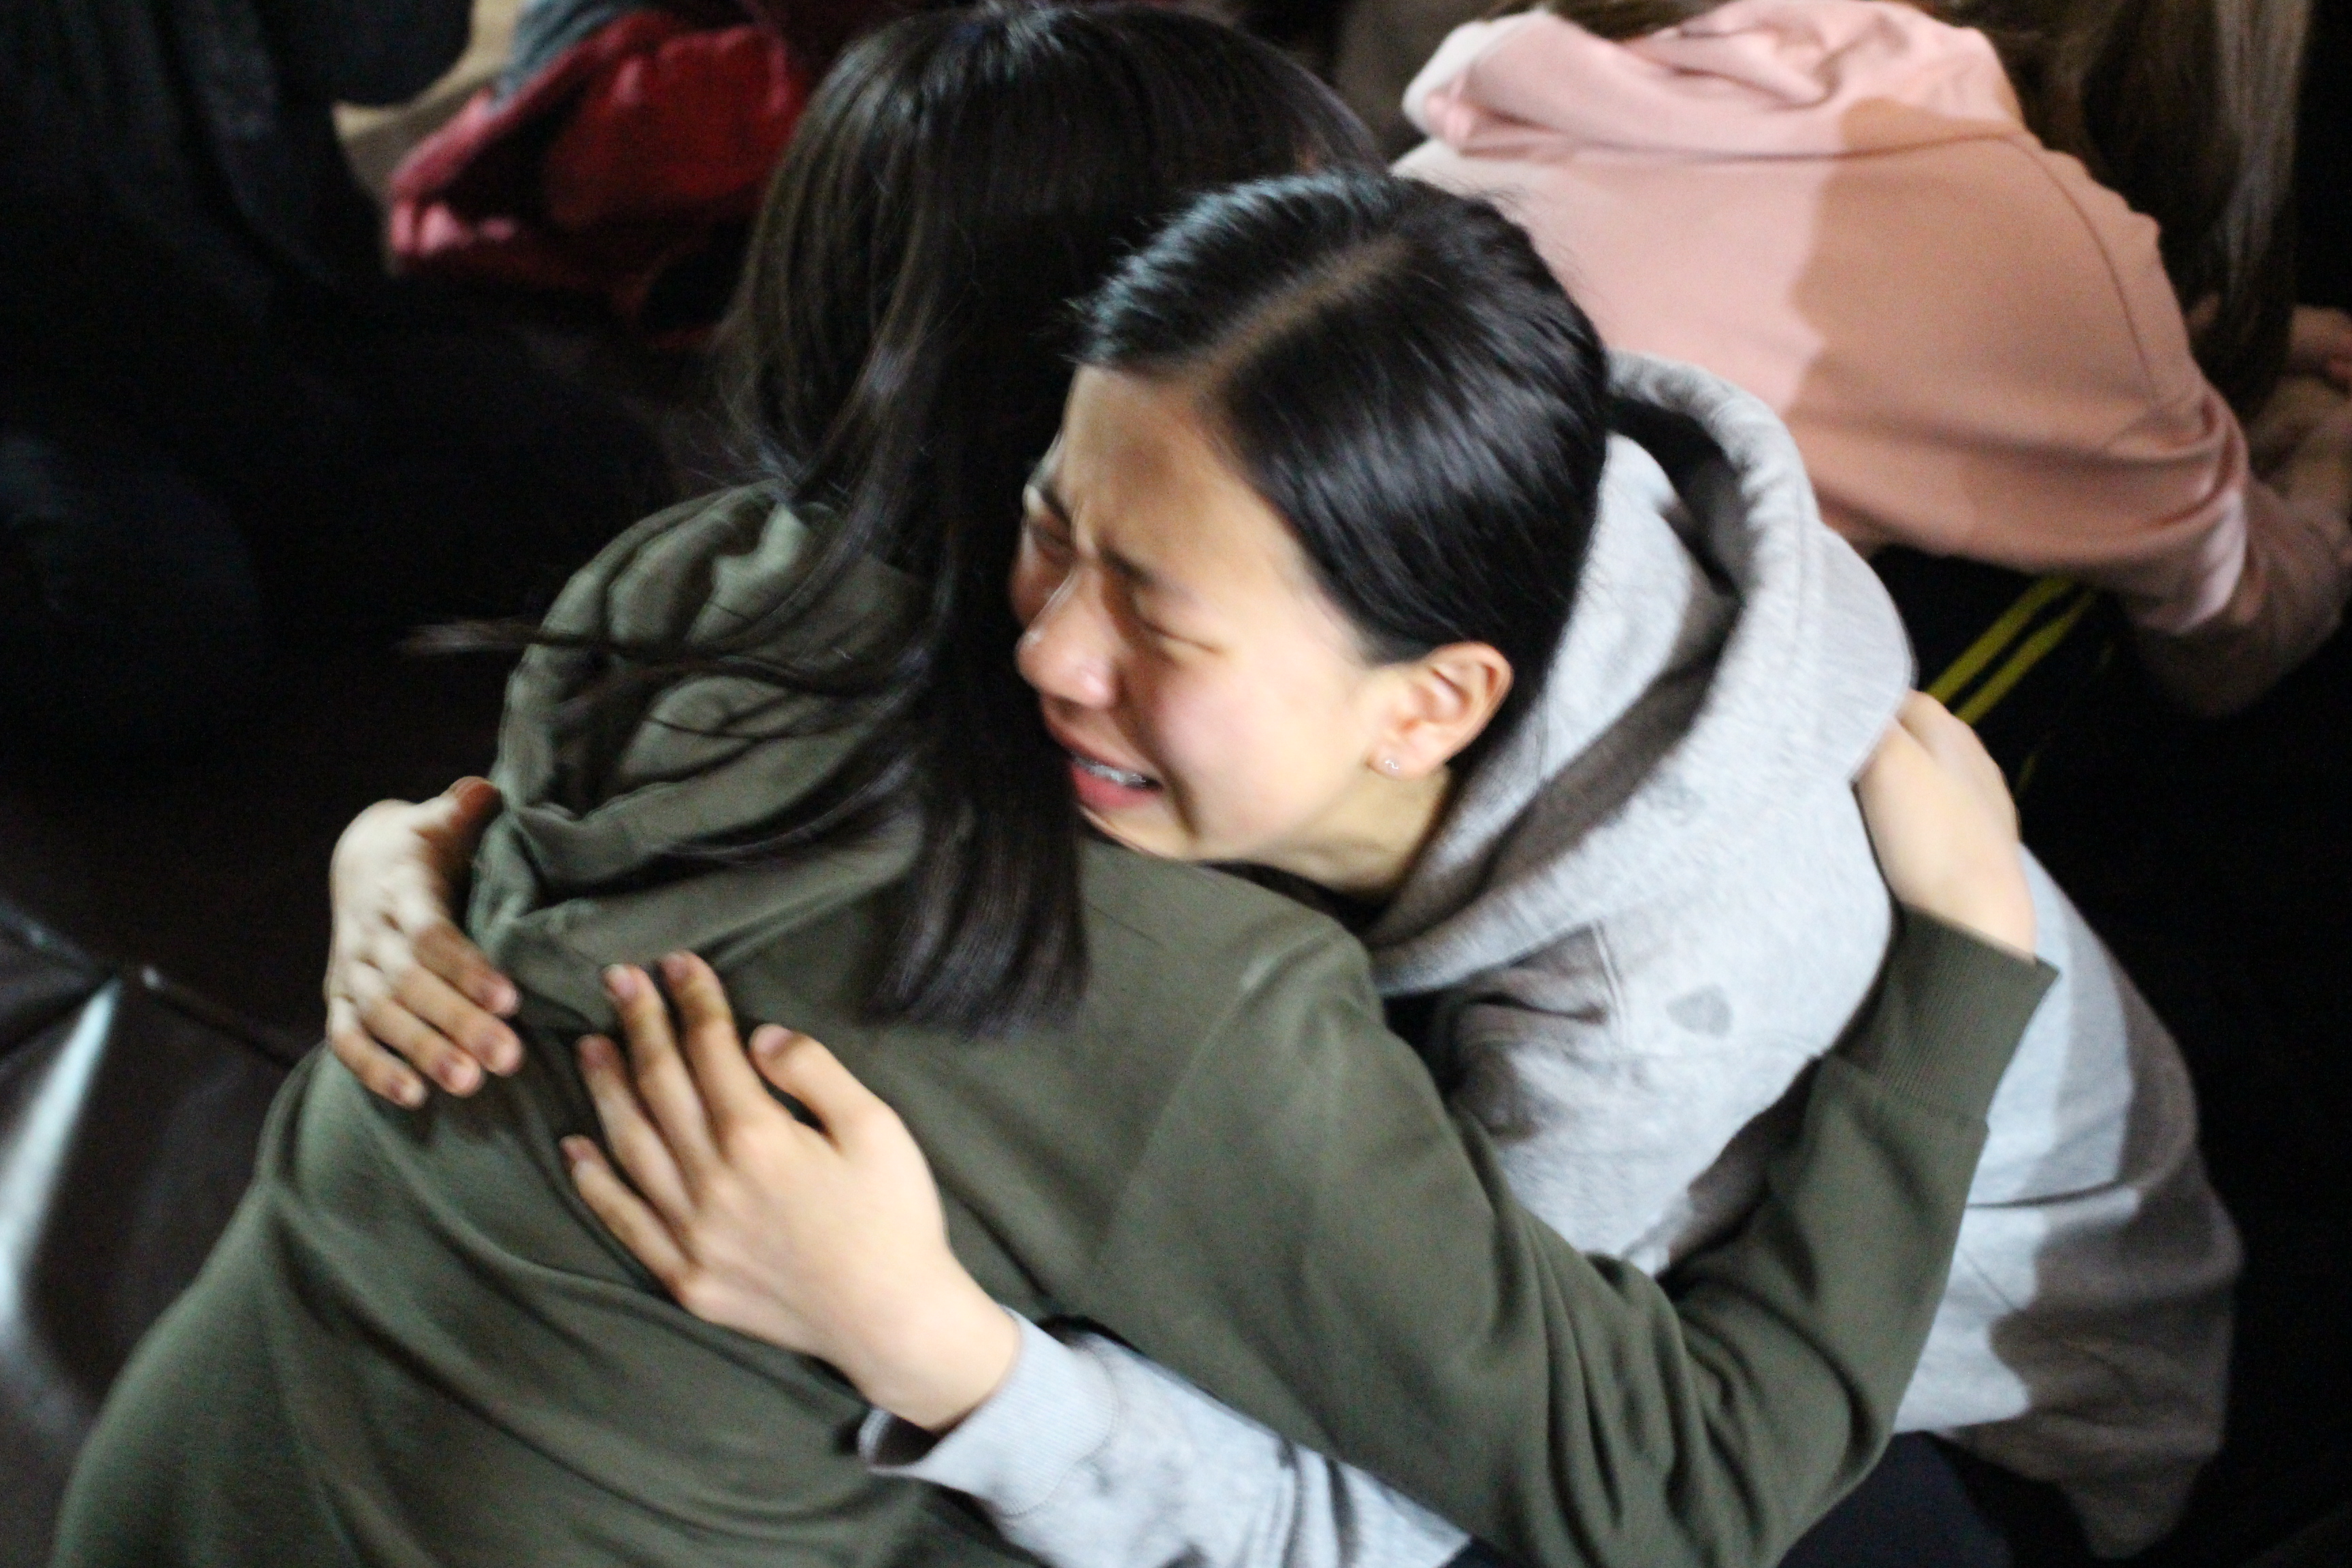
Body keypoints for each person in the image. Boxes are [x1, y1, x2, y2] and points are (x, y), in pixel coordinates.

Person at [51, 12, 2058, 1567]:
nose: (1053, 654)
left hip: (171, 1476)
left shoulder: (679, 574)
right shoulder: (1165, 990)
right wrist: (1964, 975)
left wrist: (394, 858)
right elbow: (1679, 1489)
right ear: (1098, 372)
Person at [1375, 0, 2351, 731]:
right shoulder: (2028, 242)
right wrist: (2324, 465)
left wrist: (2160, 343)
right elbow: (2232, 638)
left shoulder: (1568, 50)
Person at [0, 0, 670, 755]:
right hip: (51, 361)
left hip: (282, 290)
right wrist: (292, 434)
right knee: (154, 631)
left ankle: (278, 547)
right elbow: (56, 252)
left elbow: (389, 64)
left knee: (606, 482)